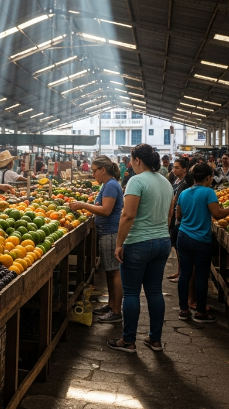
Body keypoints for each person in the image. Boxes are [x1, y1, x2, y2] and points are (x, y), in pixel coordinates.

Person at [108, 144, 174, 353]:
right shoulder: (165, 182)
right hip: (162, 241)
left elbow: (128, 215)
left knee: (131, 293)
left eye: (131, 159)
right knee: (154, 292)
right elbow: (169, 215)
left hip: (138, 243)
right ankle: (155, 340)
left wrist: (119, 244)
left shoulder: (136, 181)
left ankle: (128, 341)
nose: (130, 163)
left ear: (137, 160)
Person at [176, 164, 229, 323]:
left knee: (184, 274)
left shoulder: (184, 193)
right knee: (201, 276)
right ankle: (200, 312)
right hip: (201, 240)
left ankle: (183, 310)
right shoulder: (208, 192)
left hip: (183, 237)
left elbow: (179, 216)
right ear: (207, 178)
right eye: (212, 177)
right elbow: (218, 214)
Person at [68, 156, 123, 324]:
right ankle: (111, 305)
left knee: (115, 272)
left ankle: (116, 311)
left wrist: (83, 205)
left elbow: (106, 210)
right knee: (109, 271)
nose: (93, 174)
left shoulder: (111, 185)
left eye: (94, 171)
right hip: (107, 232)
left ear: (103, 170)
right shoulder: (108, 185)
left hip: (111, 233)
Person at [166, 157, 191, 283]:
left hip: (179, 217)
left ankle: (182, 273)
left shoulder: (185, 183)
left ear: (185, 169)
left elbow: (176, 200)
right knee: (176, 247)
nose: (174, 170)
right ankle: (179, 270)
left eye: (177, 168)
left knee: (180, 248)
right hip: (174, 216)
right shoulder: (176, 180)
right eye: (173, 167)